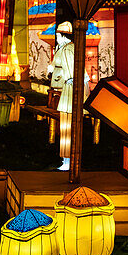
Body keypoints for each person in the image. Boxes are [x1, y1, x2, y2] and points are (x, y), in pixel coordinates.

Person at [48, 22, 87, 171]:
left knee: (68, 126)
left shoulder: (67, 50)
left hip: (70, 91)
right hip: (69, 89)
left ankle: (68, 160)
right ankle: (66, 159)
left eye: (58, 36)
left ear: (63, 36)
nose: (56, 38)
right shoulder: (67, 48)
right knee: (67, 126)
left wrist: (64, 78)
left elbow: (71, 72)